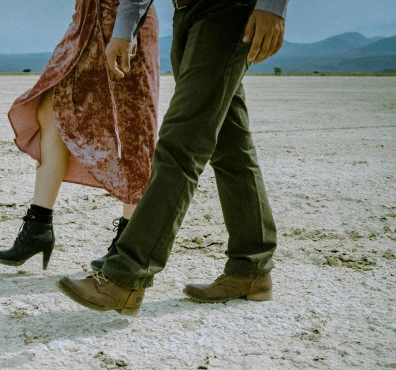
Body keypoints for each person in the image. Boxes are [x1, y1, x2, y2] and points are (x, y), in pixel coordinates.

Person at [58, 0, 289, 315]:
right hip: (188, 14)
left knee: (181, 143)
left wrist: (272, 5)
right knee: (229, 142)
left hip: (229, 9)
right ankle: (251, 268)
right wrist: (125, 28)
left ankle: (126, 277)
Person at [0, 0, 160, 271]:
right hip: (84, 20)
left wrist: (125, 30)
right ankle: (38, 226)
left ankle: (128, 243)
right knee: (52, 109)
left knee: (133, 128)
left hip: (124, 20)